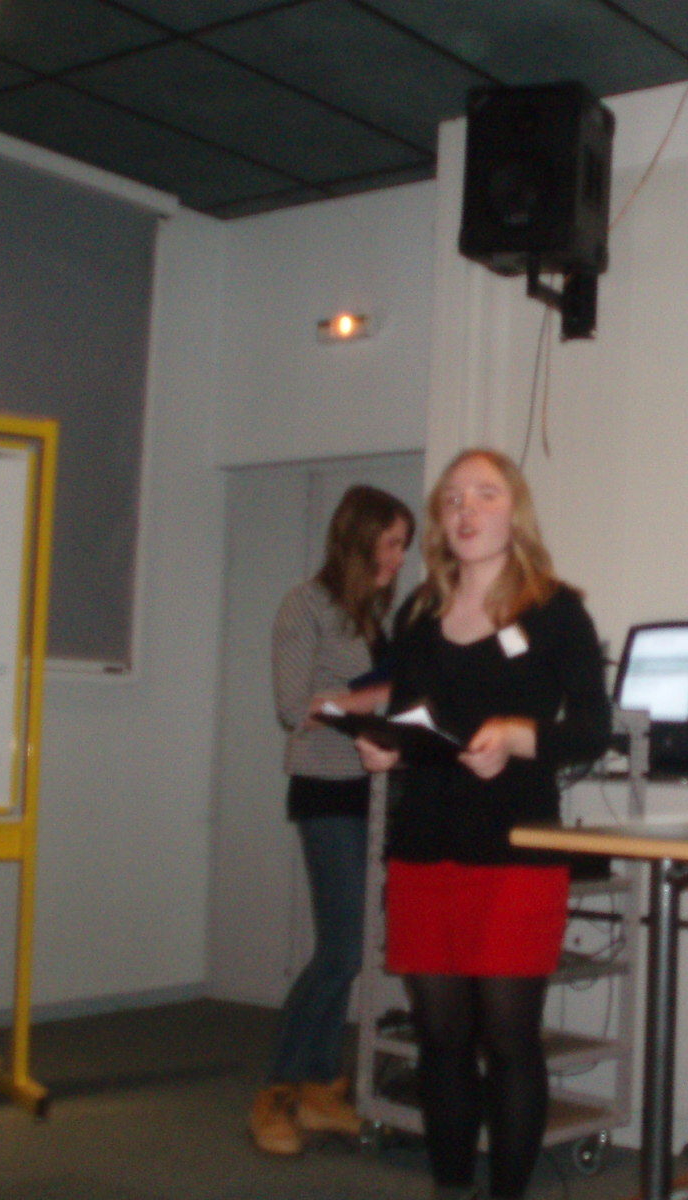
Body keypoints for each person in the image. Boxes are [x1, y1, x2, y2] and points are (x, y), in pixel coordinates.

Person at [356, 449, 610, 1200]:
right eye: (453, 499)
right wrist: (386, 749)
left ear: (515, 511)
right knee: (439, 1039)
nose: (466, 510)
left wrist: (518, 737)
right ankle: (450, 1188)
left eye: (485, 494)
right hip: (424, 847)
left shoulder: (555, 610)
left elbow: (593, 729)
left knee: (508, 1040)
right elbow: (411, 720)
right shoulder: (418, 612)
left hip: (514, 850)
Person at [249, 484, 415, 1156]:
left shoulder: (373, 615)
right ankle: (276, 1093)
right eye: (391, 544)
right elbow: (293, 707)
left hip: (373, 794)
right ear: (360, 539)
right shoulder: (305, 606)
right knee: (342, 951)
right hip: (325, 791)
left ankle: (320, 1090)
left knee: (350, 953)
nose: (398, 559)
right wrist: (370, 696)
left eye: (403, 546)